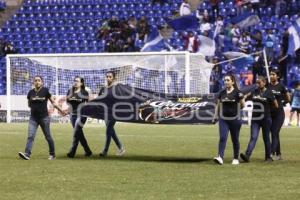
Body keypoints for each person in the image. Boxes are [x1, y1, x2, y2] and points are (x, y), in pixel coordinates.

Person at [18, 76, 66, 160]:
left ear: (42, 82)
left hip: (44, 118)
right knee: (30, 136)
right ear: (33, 82)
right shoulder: (30, 93)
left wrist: (61, 111)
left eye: (39, 80)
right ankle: (27, 154)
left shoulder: (45, 91)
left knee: (48, 136)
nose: (37, 82)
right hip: (33, 118)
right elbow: (29, 104)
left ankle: (52, 154)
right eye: (35, 80)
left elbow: (54, 103)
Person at [240, 76, 278, 163]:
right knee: (253, 137)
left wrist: (268, 111)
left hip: (266, 119)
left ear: (264, 83)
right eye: (256, 82)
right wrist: (243, 97)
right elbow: (245, 96)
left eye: (259, 82)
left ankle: (268, 157)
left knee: (266, 138)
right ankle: (247, 155)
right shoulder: (254, 91)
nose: (257, 84)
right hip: (255, 119)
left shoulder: (269, 93)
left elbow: (276, 105)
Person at [213, 74, 245, 165]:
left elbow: (243, 105)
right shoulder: (221, 93)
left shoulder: (238, 92)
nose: (226, 82)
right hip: (223, 119)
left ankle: (235, 158)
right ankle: (220, 157)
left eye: (228, 80)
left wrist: (239, 103)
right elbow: (218, 105)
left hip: (235, 119)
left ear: (233, 82)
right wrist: (215, 116)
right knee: (223, 137)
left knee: (235, 139)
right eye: (225, 80)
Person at [99, 71, 125, 157]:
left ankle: (105, 151)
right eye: (107, 76)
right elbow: (98, 100)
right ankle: (121, 147)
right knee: (111, 131)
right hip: (105, 113)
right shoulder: (103, 89)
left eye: (110, 77)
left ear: (113, 78)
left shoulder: (116, 88)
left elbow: (120, 99)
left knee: (108, 129)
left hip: (114, 112)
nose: (108, 78)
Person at [66, 76, 92, 158]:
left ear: (81, 83)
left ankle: (72, 151)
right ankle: (88, 150)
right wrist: (68, 109)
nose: (75, 82)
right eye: (74, 81)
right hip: (72, 115)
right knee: (79, 133)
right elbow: (68, 102)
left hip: (82, 115)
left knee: (76, 131)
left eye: (77, 81)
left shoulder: (85, 93)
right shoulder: (70, 91)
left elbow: (89, 104)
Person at [268, 69, 290, 160]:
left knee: (274, 132)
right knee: (275, 134)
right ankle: (279, 154)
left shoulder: (281, 86)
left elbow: (288, 98)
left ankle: (272, 153)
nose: (271, 76)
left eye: (273, 74)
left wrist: (282, 101)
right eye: (270, 74)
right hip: (269, 113)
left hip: (279, 114)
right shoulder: (267, 86)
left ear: (277, 76)